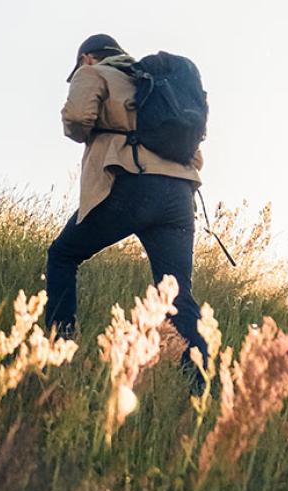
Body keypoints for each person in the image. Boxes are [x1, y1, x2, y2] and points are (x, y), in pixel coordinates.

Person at [46, 33, 208, 363]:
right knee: (175, 294)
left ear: (87, 58)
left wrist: (88, 131)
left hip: (131, 185)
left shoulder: (93, 72)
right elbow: (195, 153)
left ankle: (58, 350)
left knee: (62, 255)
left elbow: (77, 119)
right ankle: (202, 387)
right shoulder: (155, 85)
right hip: (179, 196)